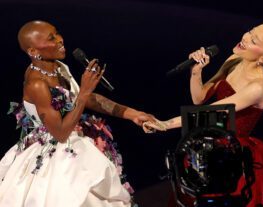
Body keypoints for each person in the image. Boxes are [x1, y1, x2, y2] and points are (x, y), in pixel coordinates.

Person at [0, 20, 157, 207]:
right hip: (57, 151)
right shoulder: (37, 84)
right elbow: (60, 133)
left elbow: (85, 98)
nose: (60, 40)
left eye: (57, 33)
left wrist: (132, 114)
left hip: (76, 137)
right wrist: (84, 92)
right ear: (33, 52)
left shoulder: (57, 66)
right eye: (52, 38)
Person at [143, 23, 263, 207]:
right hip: (208, 143)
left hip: (230, 156)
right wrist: (196, 70)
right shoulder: (234, 59)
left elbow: (209, 113)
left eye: (254, 40)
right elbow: (199, 99)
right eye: (250, 31)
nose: (245, 38)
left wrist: (165, 124)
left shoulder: (257, 87)